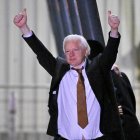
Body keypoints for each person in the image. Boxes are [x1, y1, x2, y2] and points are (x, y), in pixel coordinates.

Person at [13, 9, 124, 140]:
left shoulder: (97, 68)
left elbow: (110, 54)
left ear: (86, 51)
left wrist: (114, 30)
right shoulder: (59, 69)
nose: (70, 54)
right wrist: (24, 28)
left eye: (75, 50)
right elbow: (41, 53)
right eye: (67, 51)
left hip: (99, 136)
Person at [111, 65, 140, 140]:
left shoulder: (102, 78)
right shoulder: (121, 75)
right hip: (133, 129)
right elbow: (132, 103)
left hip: (124, 131)